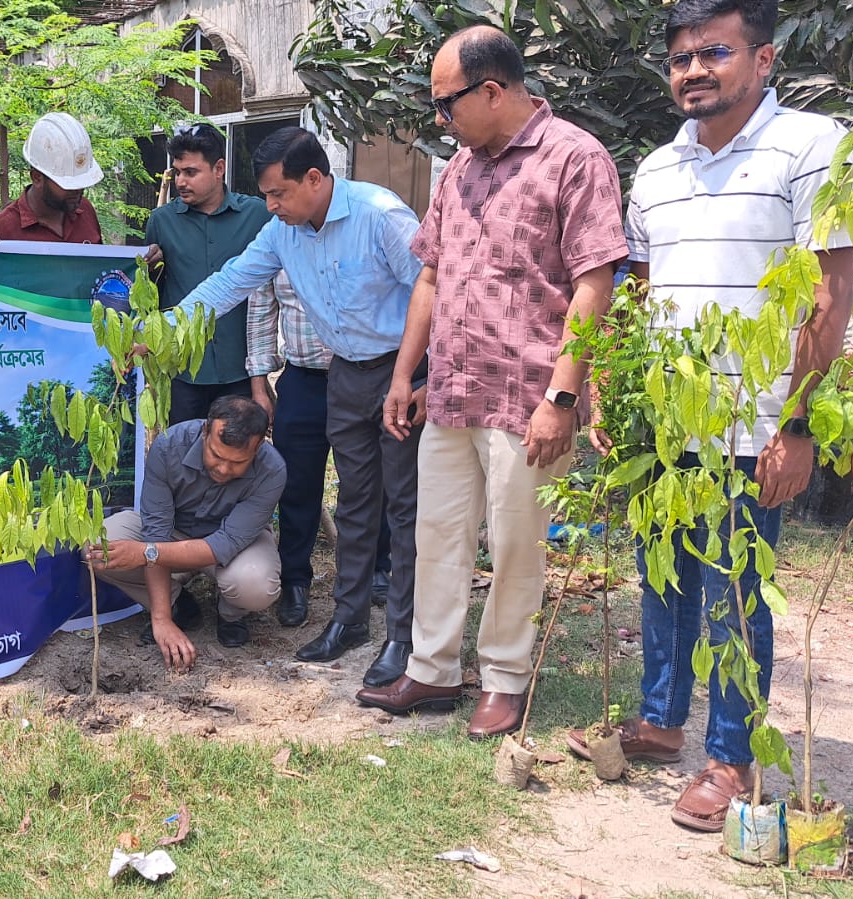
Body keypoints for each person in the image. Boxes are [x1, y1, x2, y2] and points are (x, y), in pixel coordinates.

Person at [565, 0, 853, 833]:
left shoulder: (813, 147)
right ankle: (660, 719)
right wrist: (610, 391)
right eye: (680, 58)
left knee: (735, 594)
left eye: (713, 53)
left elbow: (829, 292)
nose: (692, 70)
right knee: (663, 579)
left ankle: (728, 757)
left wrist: (794, 423)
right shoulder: (655, 169)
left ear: (762, 61)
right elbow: (640, 291)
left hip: (755, 425)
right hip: (665, 423)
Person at [356, 26, 627, 737]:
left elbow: (593, 283)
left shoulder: (574, 158)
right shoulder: (457, 169)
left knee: (515, 545)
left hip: (528, 397)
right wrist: (402, 373)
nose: (439, 119)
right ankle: (432, 669)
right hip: (451, 392)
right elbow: (431, 275)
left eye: (446, 104)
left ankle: (504, 678)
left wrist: (562, 397)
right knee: (437, 534)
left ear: (492, 90)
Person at [170, 126, 425, 687]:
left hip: (404, 371)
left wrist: (414, 377)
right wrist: (163, 330)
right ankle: (350, 620)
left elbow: (433, 293)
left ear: (315, 179)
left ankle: (404, 638)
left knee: (402, 508)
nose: (270, 206)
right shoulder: (280, 232)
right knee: (356, 503)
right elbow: (230, 283)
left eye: (278, 193)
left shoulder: (380, 215)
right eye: (264, 195)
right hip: (345, 376)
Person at [86, 396, 284, 669]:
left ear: (258, 447)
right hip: (173, 532)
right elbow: (156, 532)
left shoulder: (273, 470)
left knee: (256, 584)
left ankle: (231, 614)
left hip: (235, 544)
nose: (224, 469)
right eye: (216, 455)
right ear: (205, 432)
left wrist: (147, 554)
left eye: (238, 462)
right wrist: (162, 619)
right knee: (97, 546)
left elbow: (223, 544)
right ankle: (178, 605)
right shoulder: (169, 446)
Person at [142, 124, 273, 425]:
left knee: (237, 458)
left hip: (239, 369)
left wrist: (261, 377)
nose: (181, 182)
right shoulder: (161, 222)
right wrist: (149, 270)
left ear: (219, 168)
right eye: (176, 173)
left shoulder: (258, 216)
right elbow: (151, 296)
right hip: (182, 371)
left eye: (191, 172)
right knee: (184, 454)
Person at [245, 271, 332, 628]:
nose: (273, 209)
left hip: (363, 374)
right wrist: (260, 384)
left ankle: (375, 572)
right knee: (296, 485)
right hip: (302, 377)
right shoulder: (278, 240)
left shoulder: (367, 226)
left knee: (368, 483)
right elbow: (261, 309)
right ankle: (295, 580)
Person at [0, 113, 103, 244]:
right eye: (68, 185)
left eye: (81, 182)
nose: (78, 190)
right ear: (37, 178)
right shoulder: (1, 232)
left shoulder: (85, 210)